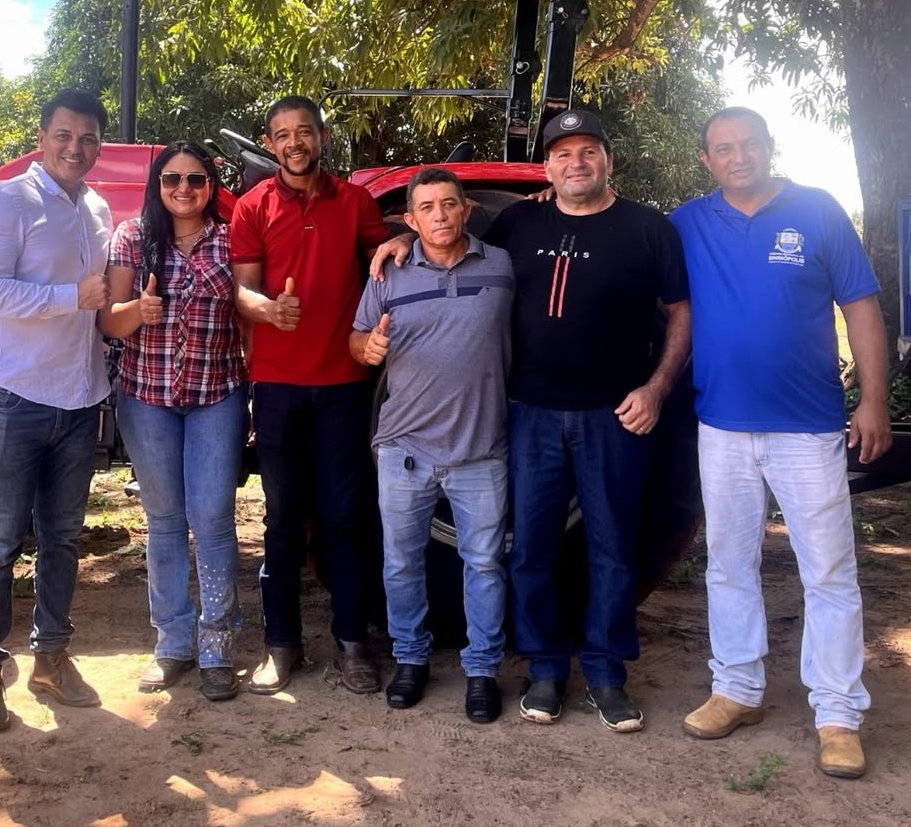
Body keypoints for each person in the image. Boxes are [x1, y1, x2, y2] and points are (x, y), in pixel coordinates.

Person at [376, 109, 691, 731]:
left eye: (588, 152)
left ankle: (605, 673)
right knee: (531, 551)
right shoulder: (520, 220)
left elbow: (679, 313)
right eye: (563, 154)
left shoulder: (648, 229)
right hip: (530, 415)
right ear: (546, 166)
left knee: (613, 548)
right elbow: (451, 242)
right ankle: (546, 668)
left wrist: (657, 388)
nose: (576, 163)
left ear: (608, 159)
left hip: (613, 417)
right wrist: (403, 240)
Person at [669, 106, 892, 779]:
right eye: (723, 147)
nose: (738, 155)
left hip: (808, 425)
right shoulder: (686, 223)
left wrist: (874, 400)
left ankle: (837, 714)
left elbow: (861, 309)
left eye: (749, 144)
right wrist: (543, 201)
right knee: (728, 563)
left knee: (827, 571)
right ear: (706, 159)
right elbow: (615, 230)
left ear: (769, 147)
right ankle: (738, 689)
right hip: (722, 427)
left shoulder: (818, 211)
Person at [0, 88, 112, 734]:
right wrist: (66, 296)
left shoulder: (98, 208)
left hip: (80, 398)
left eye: (87, 139)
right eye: (64, 135)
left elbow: (105, 300)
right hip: (15, 397)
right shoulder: (8, 201)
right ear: (43, 136)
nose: (75, 148)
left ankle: (52, 657)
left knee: (62, 541)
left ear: (98, 145)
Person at [230, 95, 392, 695]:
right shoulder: (252, 207)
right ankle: (282, 647)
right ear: (270, 144)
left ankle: (353, 645)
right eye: (282, 134)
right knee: (281, 521)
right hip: (276, 388)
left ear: (321, 138)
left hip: (343, 388)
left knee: (344, 518)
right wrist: (268, 309)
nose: (294, 142)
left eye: (304, 132)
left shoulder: (354, 202)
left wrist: (395, 242)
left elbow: (383, 252)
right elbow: (241, 292)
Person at [351, 167, 514, 723]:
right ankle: (410, 659)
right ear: (411, 218)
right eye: (427, 208)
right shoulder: (389, 272)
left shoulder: (502, 265)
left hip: (480, 451)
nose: (439, 215)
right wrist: (366, 348)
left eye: (449, 204)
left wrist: (544, 190)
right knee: (400, 563)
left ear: (466, 210)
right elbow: (355, 339)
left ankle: (482, 669)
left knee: (485, 564)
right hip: (404, 447)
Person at [99, 141, 246, 702]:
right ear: (156, 185)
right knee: (163, 519)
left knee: (212, 519)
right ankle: (172, 644)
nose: (183, 189)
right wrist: (140, 310)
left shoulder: (232, 239)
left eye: (196, 179)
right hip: (148, 396)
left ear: (211, 185)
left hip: (217, 395)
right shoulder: (132, 237)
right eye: (171, 179)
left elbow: (248, 307)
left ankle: (217, 647)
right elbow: (109, 323)